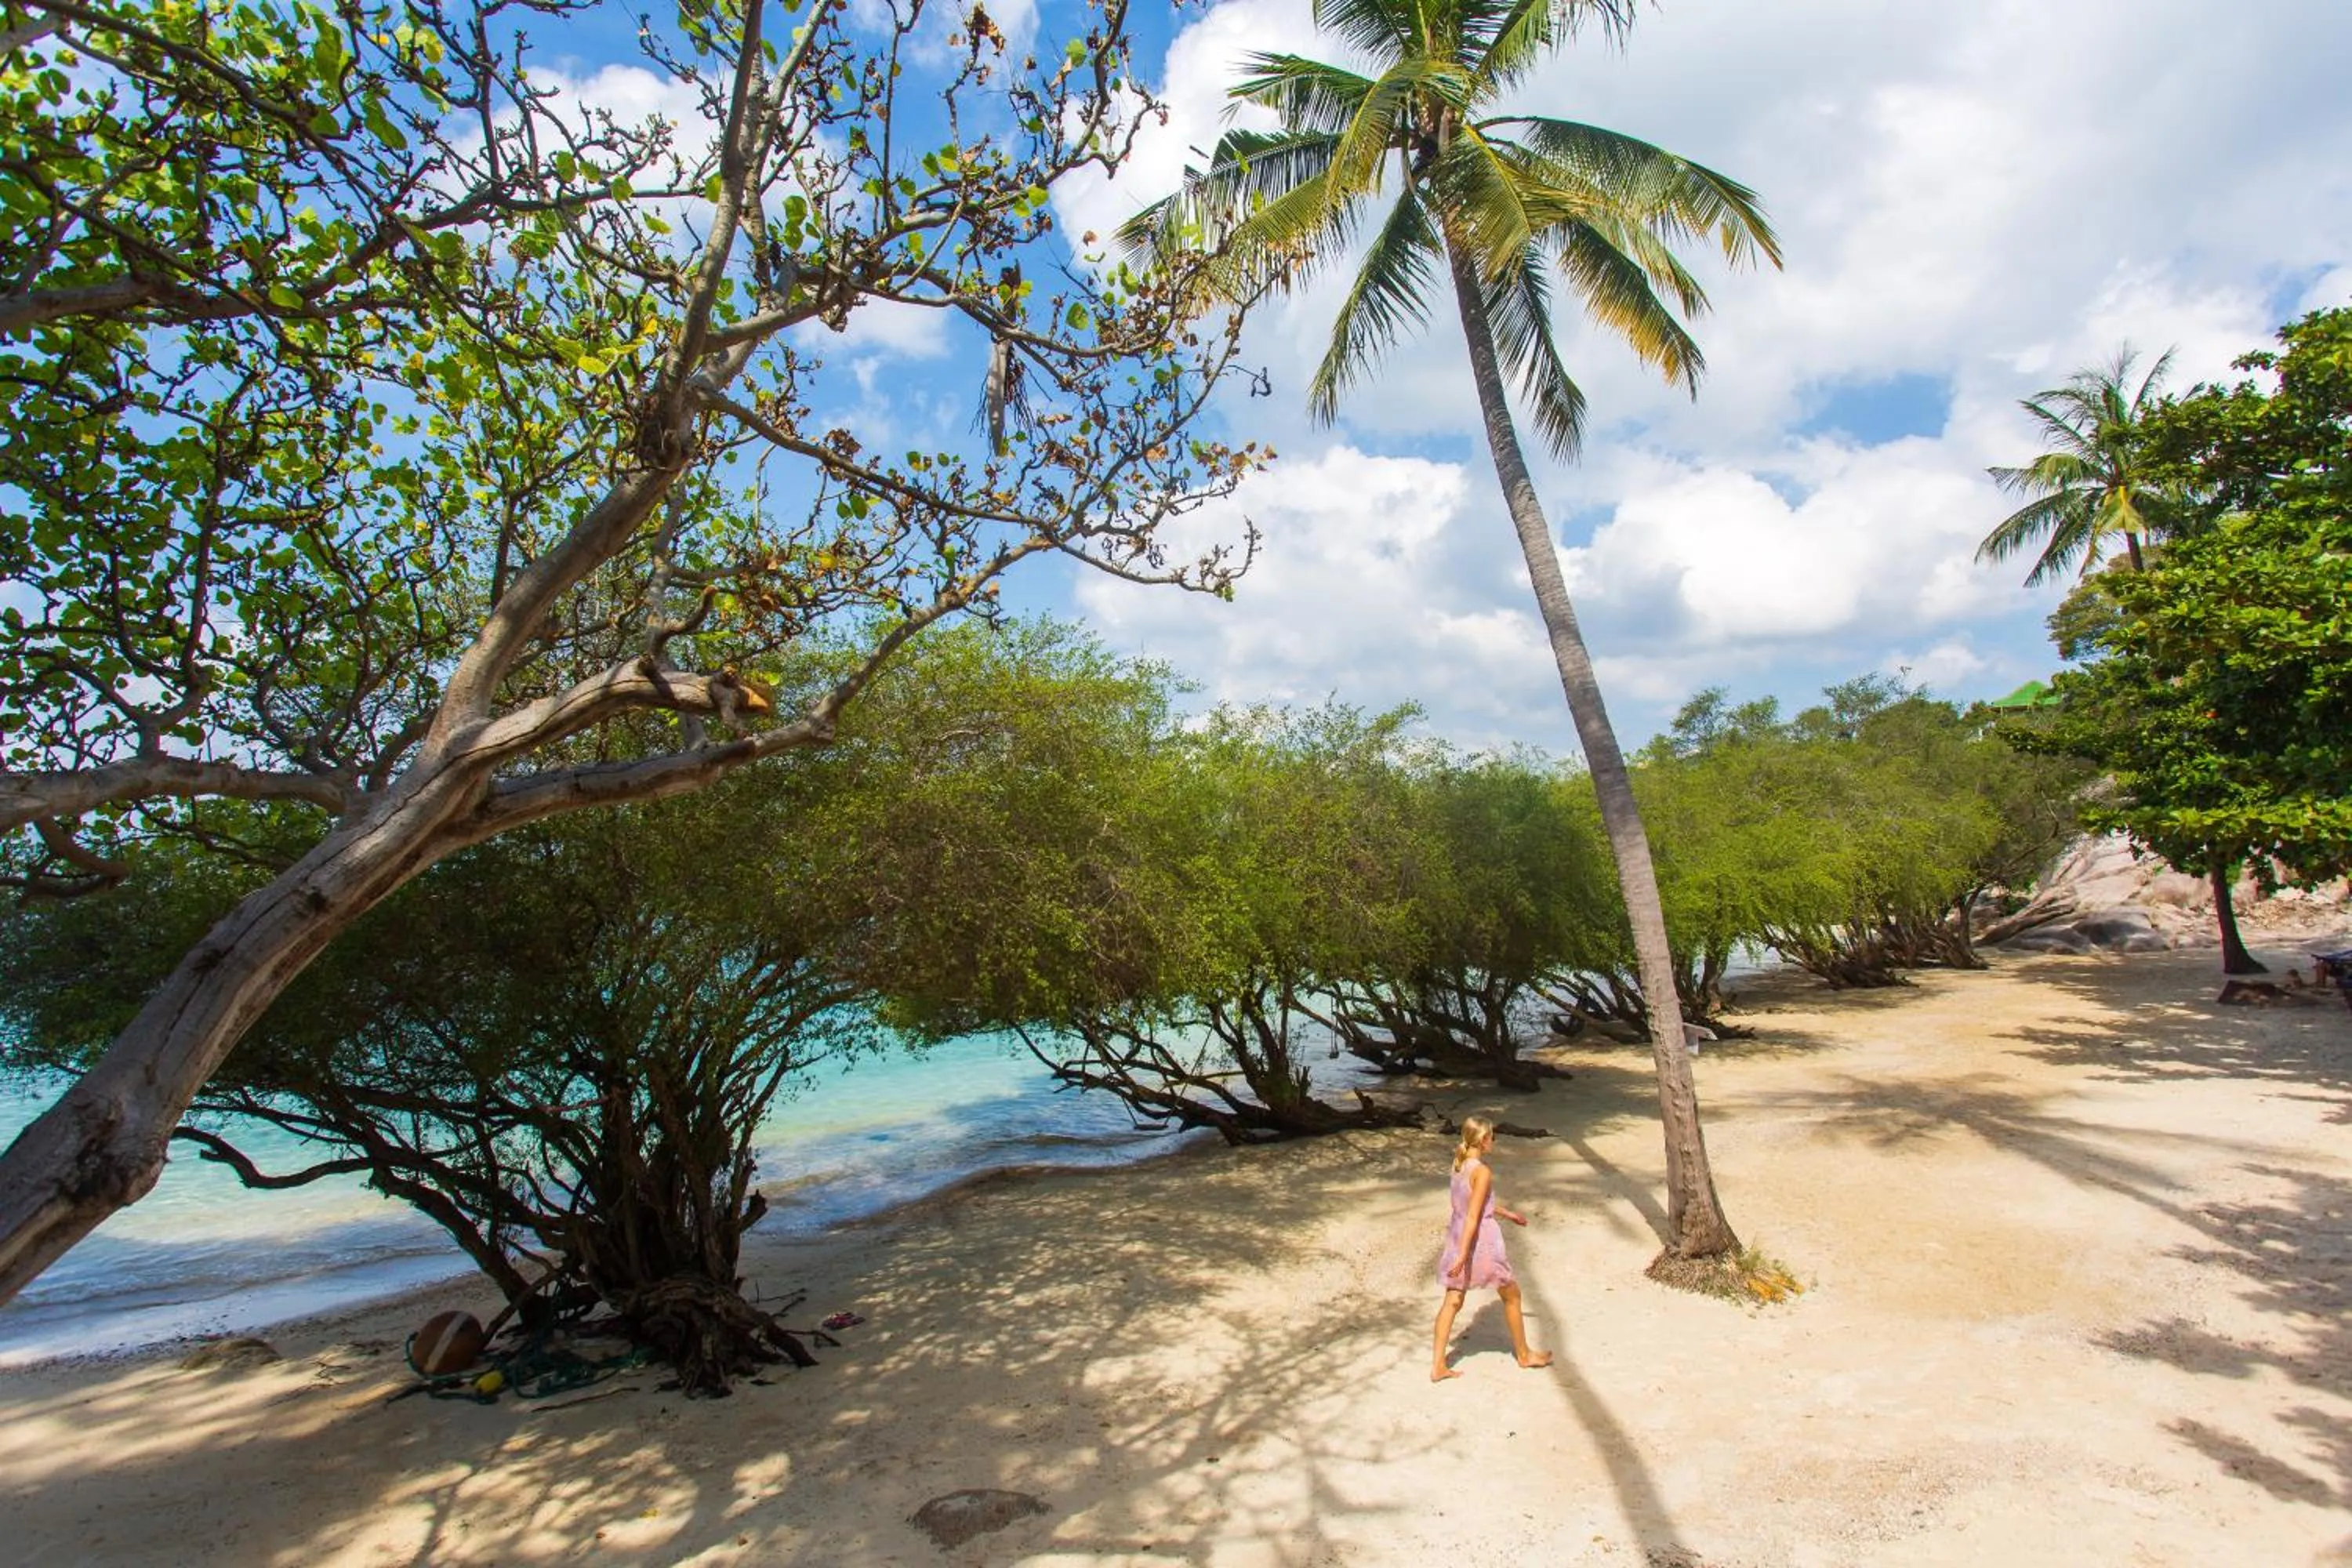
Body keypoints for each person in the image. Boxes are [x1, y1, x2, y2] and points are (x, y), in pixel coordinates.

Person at [1430, 1114, 1552, 1381]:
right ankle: (1524, 1355)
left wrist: (1507, 1213)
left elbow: (1472, 1204)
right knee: (1512, 1294)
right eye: (1492, 1137)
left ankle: (1437, 1366)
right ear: (1484, 1139)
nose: (1494, 1141)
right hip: (1480, 1240)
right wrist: (1464, 1254)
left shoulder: (1459, 1164)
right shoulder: (1482, 1171)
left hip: (1457, 1234)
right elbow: (1474, 1216)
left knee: (1453, 1300)